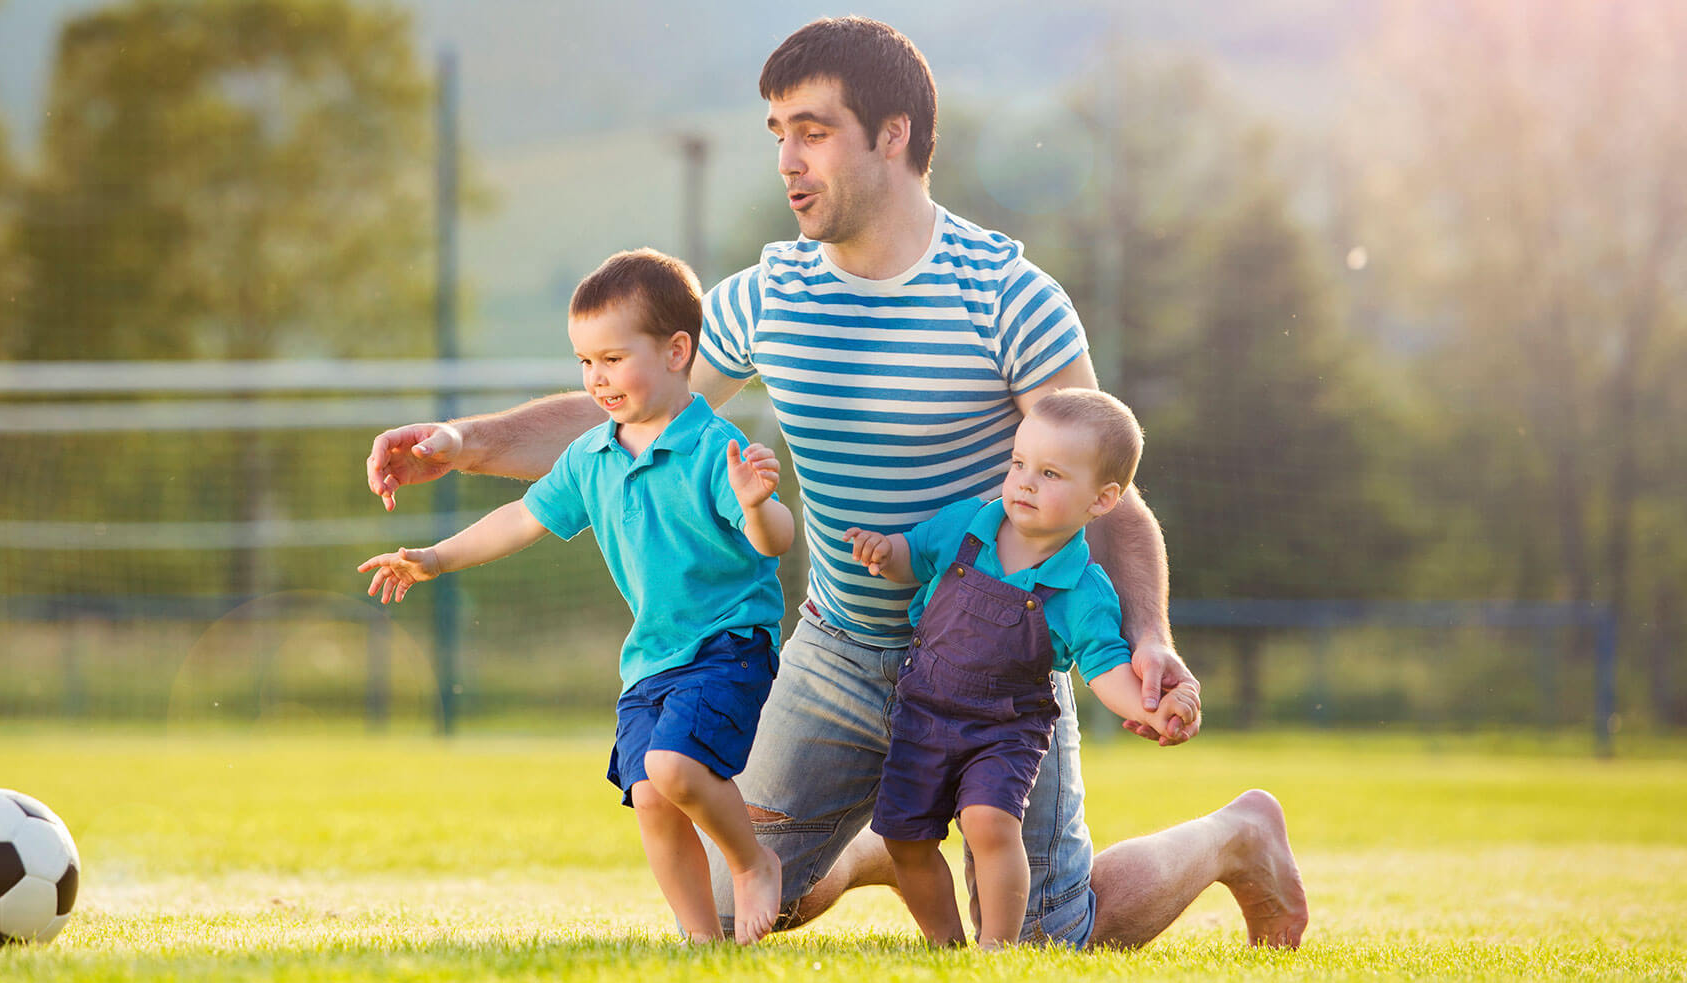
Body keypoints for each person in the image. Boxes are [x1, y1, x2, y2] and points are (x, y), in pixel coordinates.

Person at [365, 16, 1308, 949]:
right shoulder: (769, 295)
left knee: (1042, 937)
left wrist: (1149, 636)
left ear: (893, 134)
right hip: (840, 650)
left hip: (996, 660)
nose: (788, 160)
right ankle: (881, 848)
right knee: (733, 909)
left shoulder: (1008, 297)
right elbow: (629, 407)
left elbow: (1112, 498)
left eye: (813, 132)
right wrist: (461, 442)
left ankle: (1236, 833)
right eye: (778, 133)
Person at [358, 248, 794, 944]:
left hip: (728, 642)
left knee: (674, 767)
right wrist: (434, 559)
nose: (597, 377)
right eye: (586, 361)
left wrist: (756, 504)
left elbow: (775, 540)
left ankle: (752, 863)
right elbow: (521, 519)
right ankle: (701, 945)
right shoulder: (592, 455)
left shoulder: (715, 446)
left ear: (677, 351)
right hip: (652, 658)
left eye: (614, 359)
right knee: (651, 797)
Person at [844, 389, 1177, 948]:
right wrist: (885, 552)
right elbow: (912, 554)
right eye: (1019, 464)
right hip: (923, 714)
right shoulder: (967, 527)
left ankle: (996, 949)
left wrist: (1153, 708)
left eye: (1050, 474)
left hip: (1006, 727)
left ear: (1102, 500)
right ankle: (945, 947)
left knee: (989, 821)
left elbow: (1105, 669)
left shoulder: (1083, 589)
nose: (1025, 482)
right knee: (904, 838)